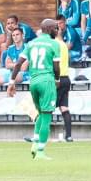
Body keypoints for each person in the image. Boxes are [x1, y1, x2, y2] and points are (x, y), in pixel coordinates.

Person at [23, 20, 60, 160]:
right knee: (46, 116)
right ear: (49, 29)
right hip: (47, 81)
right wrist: (57, 80)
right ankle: (40, 152)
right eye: (56, 28)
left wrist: (12, 81)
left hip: (33, 82)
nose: (57, 30)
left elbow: (20, 63)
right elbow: (56, 67)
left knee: (40, 113)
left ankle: (34, 144)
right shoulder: (54, 44)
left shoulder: (31, 43)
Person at [0, 27, 27, 98]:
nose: (15, 37)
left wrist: (13, 65)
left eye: (17, 35)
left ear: (22, 35)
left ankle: (9, 104)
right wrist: (17, 65)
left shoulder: (27, 48)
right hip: (12, 73)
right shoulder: (11, 48)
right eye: (13, 35)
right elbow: (7, 65)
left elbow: (24, 68)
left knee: (12, 79)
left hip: (25, 74)